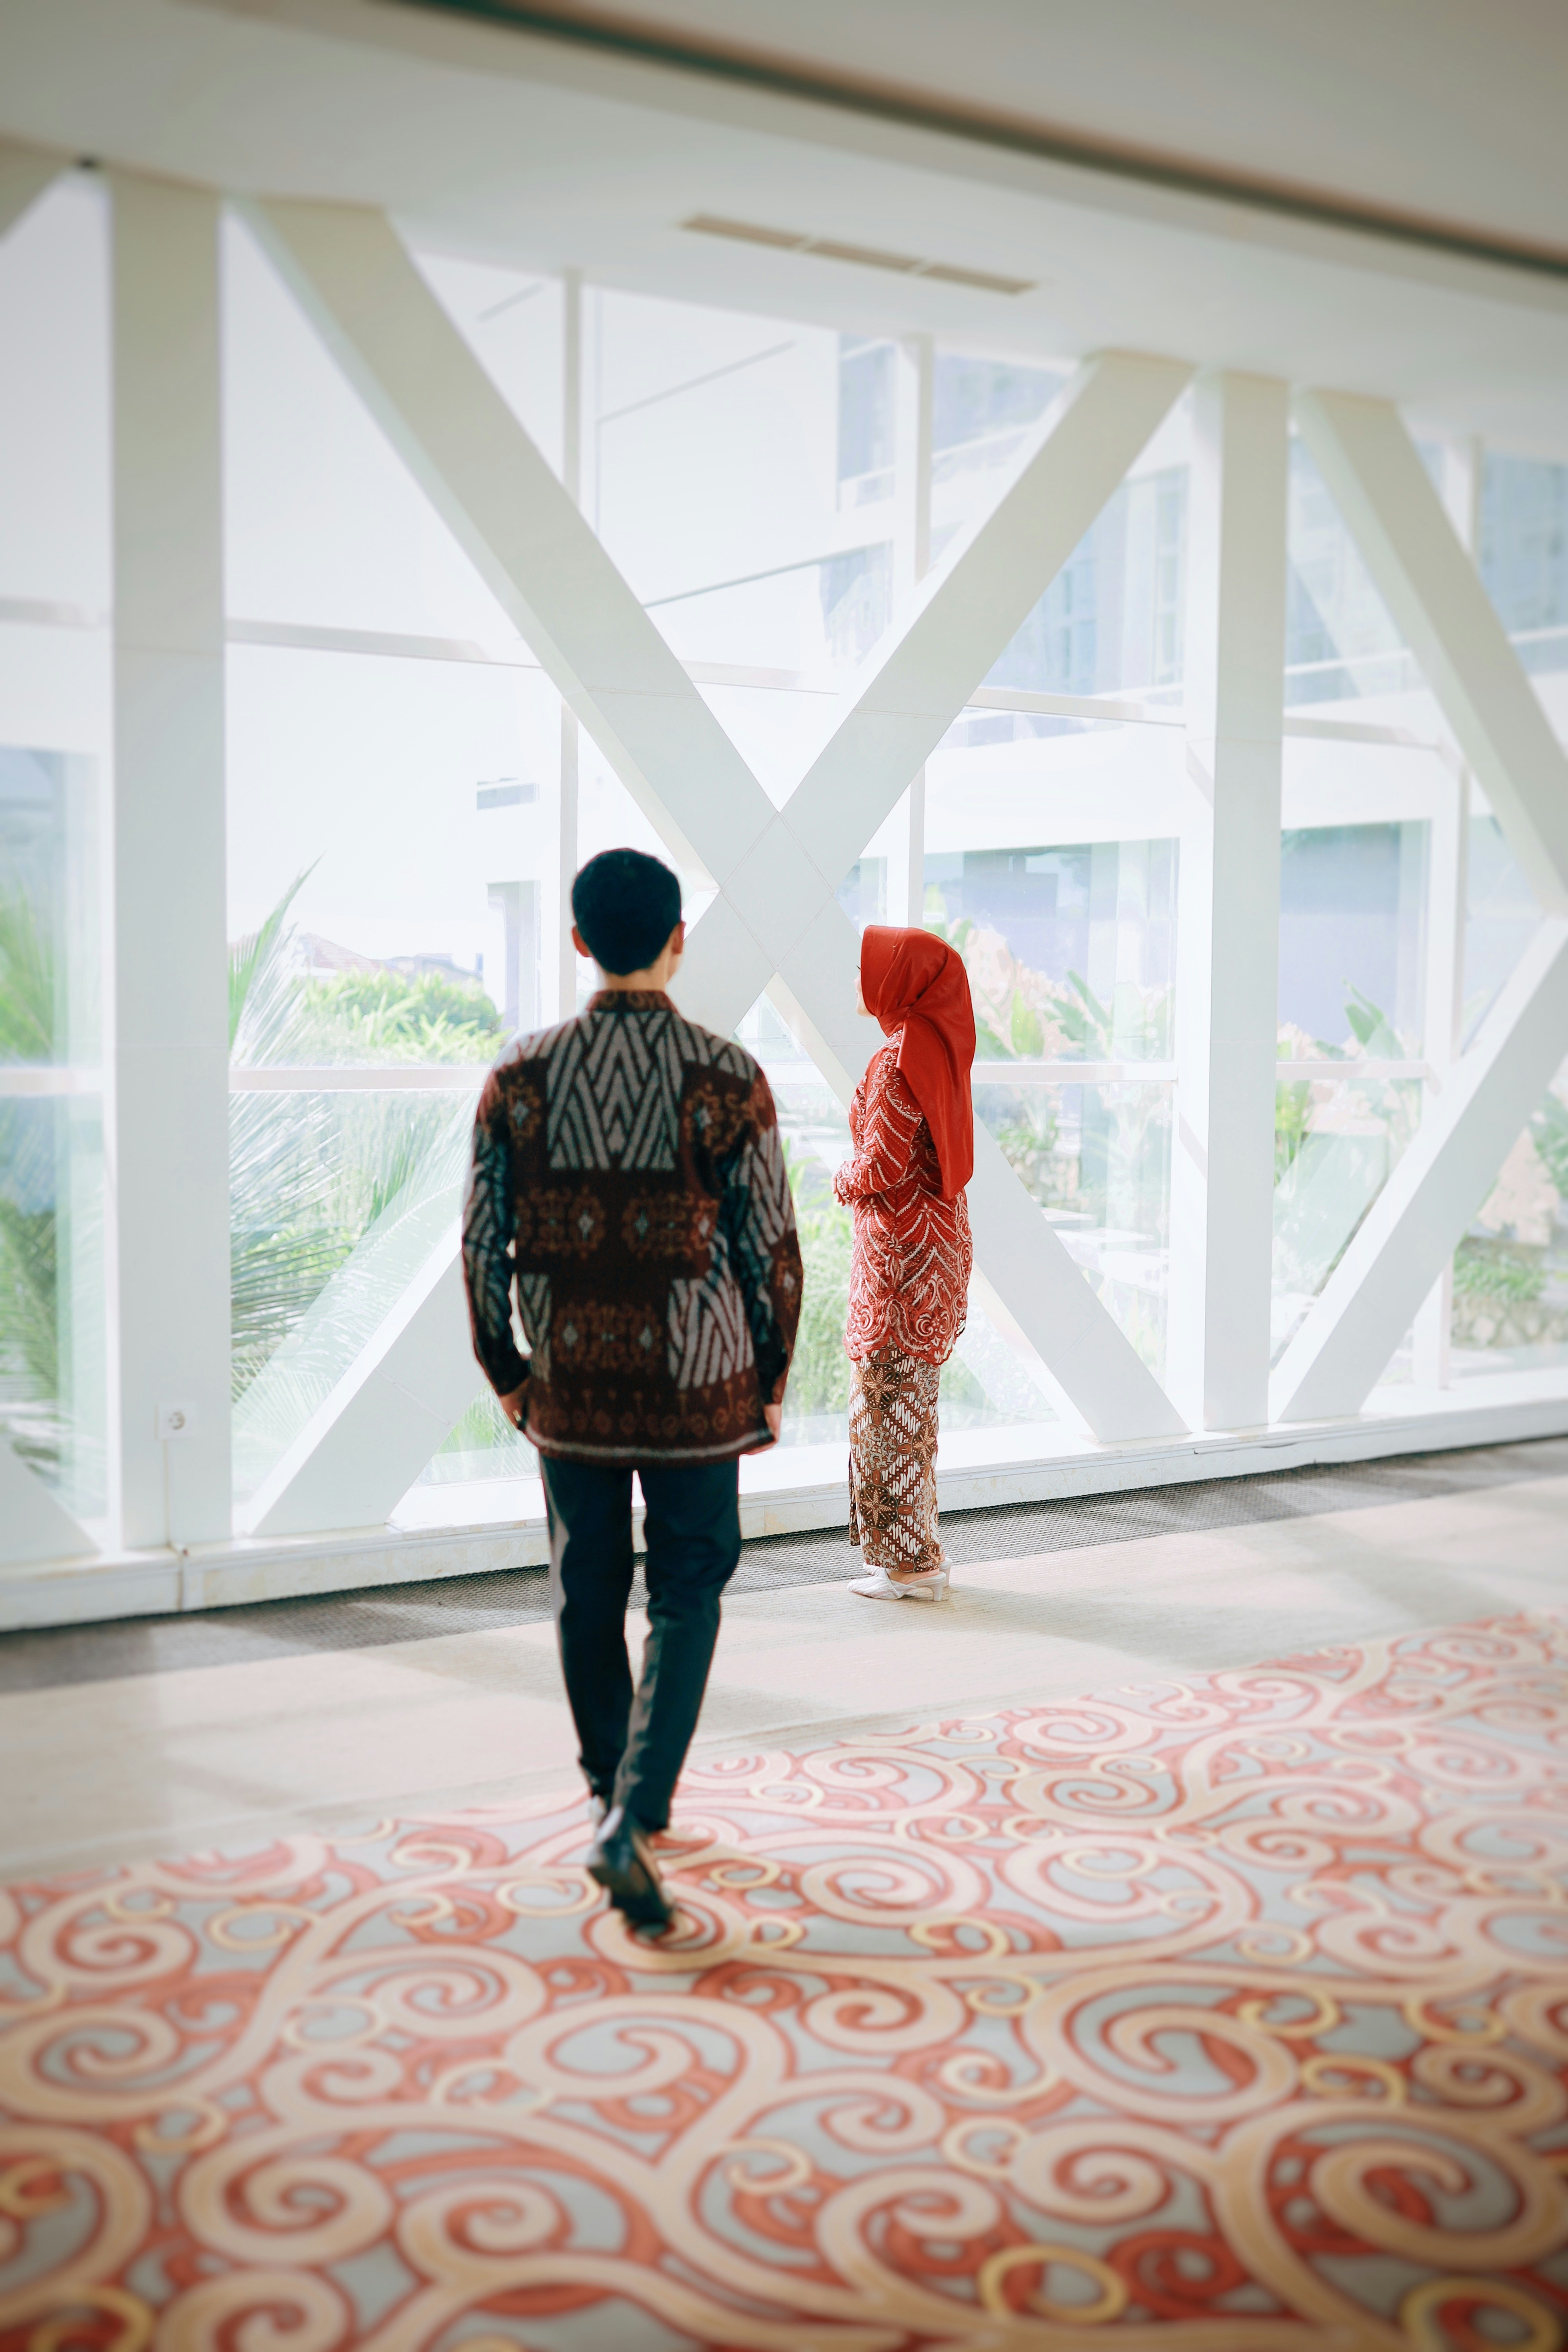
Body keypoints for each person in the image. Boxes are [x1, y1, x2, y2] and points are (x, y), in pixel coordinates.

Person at [461, 847, 802, 1932]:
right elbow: (771, 1246)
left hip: (567, 1383)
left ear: (577, 942)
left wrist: (509, 1373)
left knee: (586, 1590)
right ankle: (635, 1813)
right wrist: (773, 1369)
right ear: (677, 939)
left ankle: (608, 1786)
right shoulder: (726, 1075)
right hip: (697, 1387)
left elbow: (478, 1242)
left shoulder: (517, 1075)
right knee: (688, 1589)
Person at [834, 924, 975, 1602]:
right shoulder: (939, 1049)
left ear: (898, 982)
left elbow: (882, 1164)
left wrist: (840, 1178)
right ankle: (915, 1555)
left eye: (870, 970)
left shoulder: (894, 1060)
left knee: (886, 1404)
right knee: (911, 1405)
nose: (861, 980)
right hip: (936, 1247)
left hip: (899, 1260)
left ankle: (909, 1565)